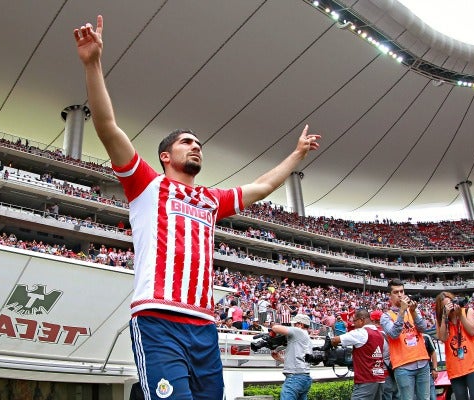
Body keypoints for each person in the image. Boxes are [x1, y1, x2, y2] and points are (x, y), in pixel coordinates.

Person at [73, 15, 321, 400]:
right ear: (166, 155)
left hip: (205, 326)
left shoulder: (211, 200)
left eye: (198, 143)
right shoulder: (147, 184)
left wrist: (296, 155)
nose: (195, 146)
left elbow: (263, 185)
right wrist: (93, 64)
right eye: (186, 142)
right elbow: (107, 126)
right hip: (157, 321)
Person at [380, 279, 430, 400]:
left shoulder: (413, 310)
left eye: (402, 291)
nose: (400, 295)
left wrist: (413, 312)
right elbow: (394, 334)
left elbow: (423, 328)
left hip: (422, 362)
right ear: (389, 296)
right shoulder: (386, 316)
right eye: (396, 292)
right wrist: (402, 311)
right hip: (403, 366)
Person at [435, 292, 474, 400]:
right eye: (446, 306)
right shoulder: (441, 321)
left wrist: (460, 316)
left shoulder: (467, 311)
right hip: (455, 367)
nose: (450, 307)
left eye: (451, 303)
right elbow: (443, 338)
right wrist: (444, 317)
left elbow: (472, 332)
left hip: (472, 364)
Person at [331, 309, 385, 400]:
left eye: (355, 321)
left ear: (361, 320)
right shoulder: (379, 334)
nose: (353, 324)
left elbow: (335, 340)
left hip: (366, 379)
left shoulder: (362, 332)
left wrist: (334, 345)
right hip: (379, 378)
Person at [270, 314, 313, 400]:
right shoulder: (307, 338)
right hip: (305, 376)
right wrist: (280, 359)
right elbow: (299, 360)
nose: (293, 326)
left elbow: (275, 328)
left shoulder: (298, 331)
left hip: (295, 377)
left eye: (295, 324)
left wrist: (273, 326)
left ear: (300, 324)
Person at [369, 310, 399, 400]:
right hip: (395, 369)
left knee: (386, 396)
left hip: (383, 373)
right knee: (397, 395)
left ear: (373, 321)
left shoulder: (373, 334)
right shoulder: (392, 331)